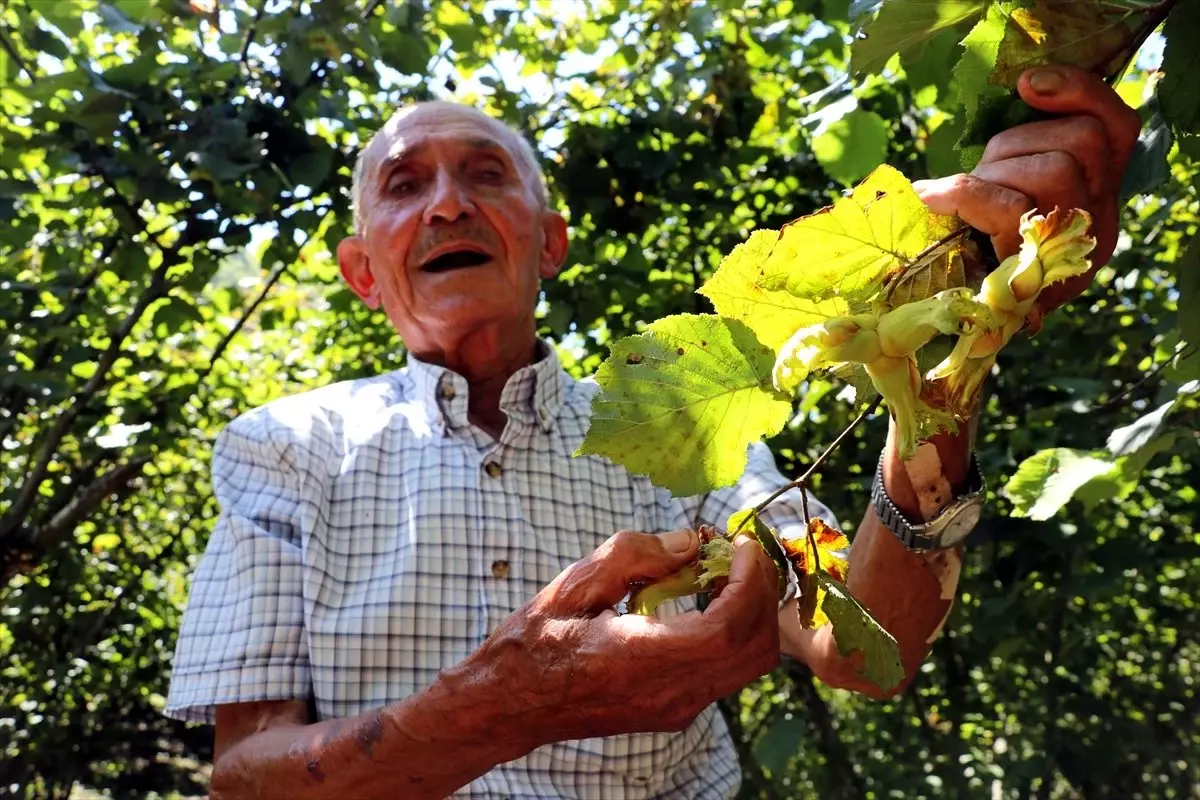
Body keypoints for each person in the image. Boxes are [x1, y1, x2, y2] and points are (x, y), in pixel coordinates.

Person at [164, 65, 1141, 799]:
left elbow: (855, 639)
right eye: (404, 185)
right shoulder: (285, 447)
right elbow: (245, 777)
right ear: (363, 271)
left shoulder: (671, 414)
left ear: (549, 238)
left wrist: (942, 374)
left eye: (484, 174)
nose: (449, 203)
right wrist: (502, 707)